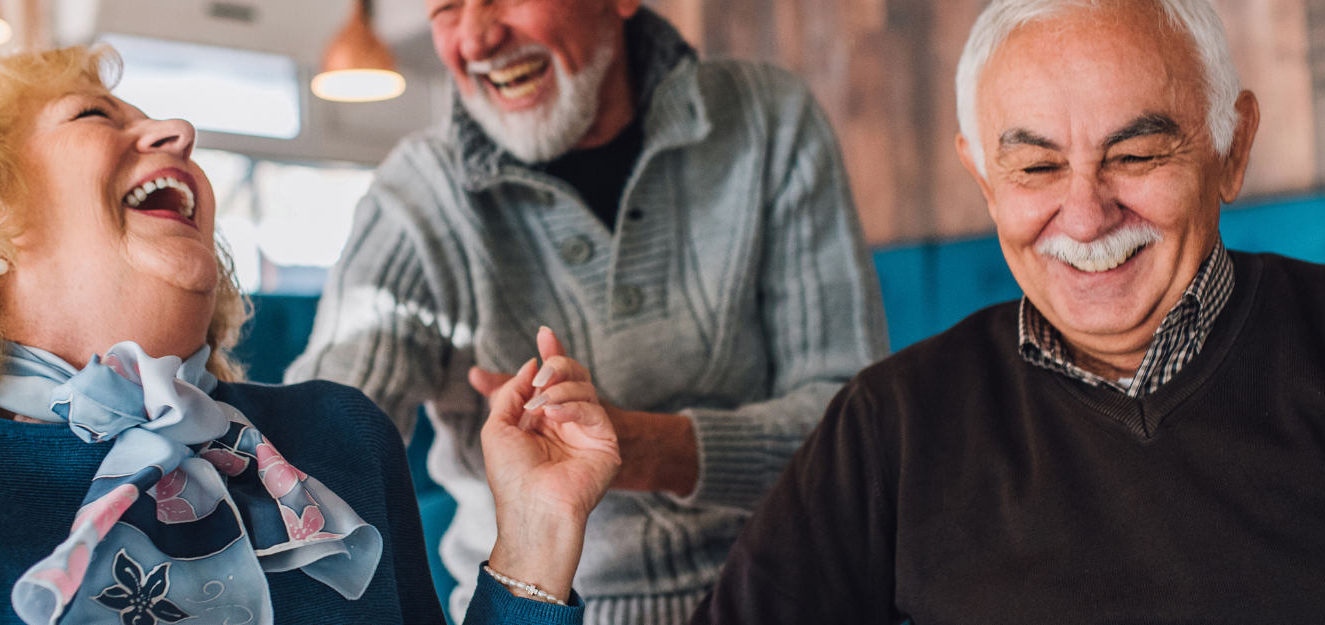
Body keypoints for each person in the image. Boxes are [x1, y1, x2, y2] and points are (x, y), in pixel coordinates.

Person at [690, 0, 1325, 622]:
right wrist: (537, 569)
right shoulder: (894, 423)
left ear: (1233, 146)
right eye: (1035, 167)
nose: (1087, 212)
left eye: (1137, 155)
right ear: (984, 178)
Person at [0, 46, 622, 625]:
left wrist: (537, 536)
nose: (178, 133)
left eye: (161, 125)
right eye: (93, 117)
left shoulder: (341, 437)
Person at [285, 0, 885, 622]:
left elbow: (855, 433)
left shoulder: (769, 122)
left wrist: (636, 448)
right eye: (445, 8)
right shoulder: (417, 196)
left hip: (781, 595)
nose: (477, 37)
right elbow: (316, 447)